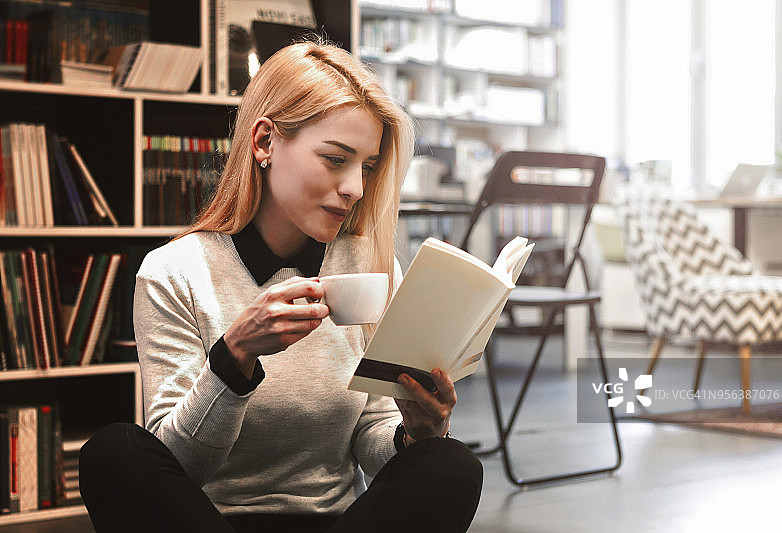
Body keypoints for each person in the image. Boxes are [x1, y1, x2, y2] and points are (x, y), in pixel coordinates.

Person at [79, 40, 483, 533]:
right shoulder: (174, 272)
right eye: (336, 159)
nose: (355, 187)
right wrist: (233, 358)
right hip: (209, 522)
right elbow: (177, 470)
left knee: (451, 463)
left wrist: (418, 434)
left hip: (331, 524)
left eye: (368, 166)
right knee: (115, 452)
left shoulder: (369, 267)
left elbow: (371, 436)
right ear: (265, 142)